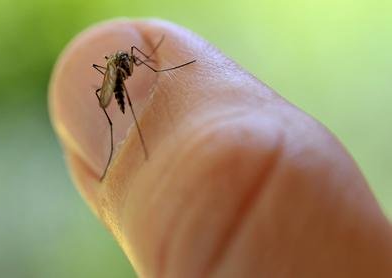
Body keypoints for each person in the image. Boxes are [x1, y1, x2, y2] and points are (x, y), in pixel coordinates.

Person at [49, 19, 392, 277]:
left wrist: (150, 65)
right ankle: (124, 138)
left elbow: (128, 63)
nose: (127, 60)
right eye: (124, 61)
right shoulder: (115, 69)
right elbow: (112, 83)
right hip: (117, 105)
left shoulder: (120, 61)